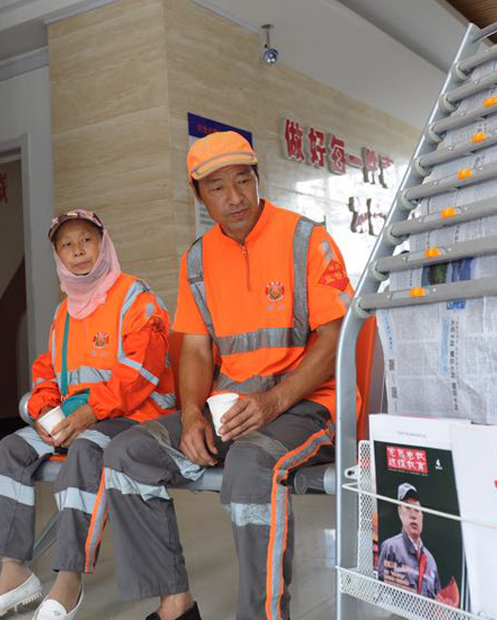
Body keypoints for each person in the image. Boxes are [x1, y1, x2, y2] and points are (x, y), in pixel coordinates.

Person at [102, 131, 357, 620]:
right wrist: (192, 414)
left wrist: (275, 400)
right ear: (198, 195)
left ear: (258, 179)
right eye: (217, 187)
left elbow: (335, 337)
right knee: (125, 455)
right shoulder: (197, 259)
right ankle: (175, 605)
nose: (235, 197)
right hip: (232, 406)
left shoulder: (307, 240)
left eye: (243, 181)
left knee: (249, 464)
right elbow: (196, 349)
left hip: (307, 405)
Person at [0, 210, 176, 620]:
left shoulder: (137, 298)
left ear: (104, 244)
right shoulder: (64, 312)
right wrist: (45, 409)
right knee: (10, 449)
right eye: (66, 244)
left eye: (86, 240)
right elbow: (48, 371)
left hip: (135, 416)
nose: (78, 251)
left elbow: (141, 372)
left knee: (85, 451)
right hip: (78, 418)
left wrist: (90, 413)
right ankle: (14, 574)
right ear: (58, 256)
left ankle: (68, 580)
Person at [377, 483, 441, 599]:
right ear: (399, 512)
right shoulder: (390, 547)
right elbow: (381, 591)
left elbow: (438, 601)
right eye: (407, 507)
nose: (413, 515)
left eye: (417, 510)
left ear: (422, 517)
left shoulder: (431, 561)